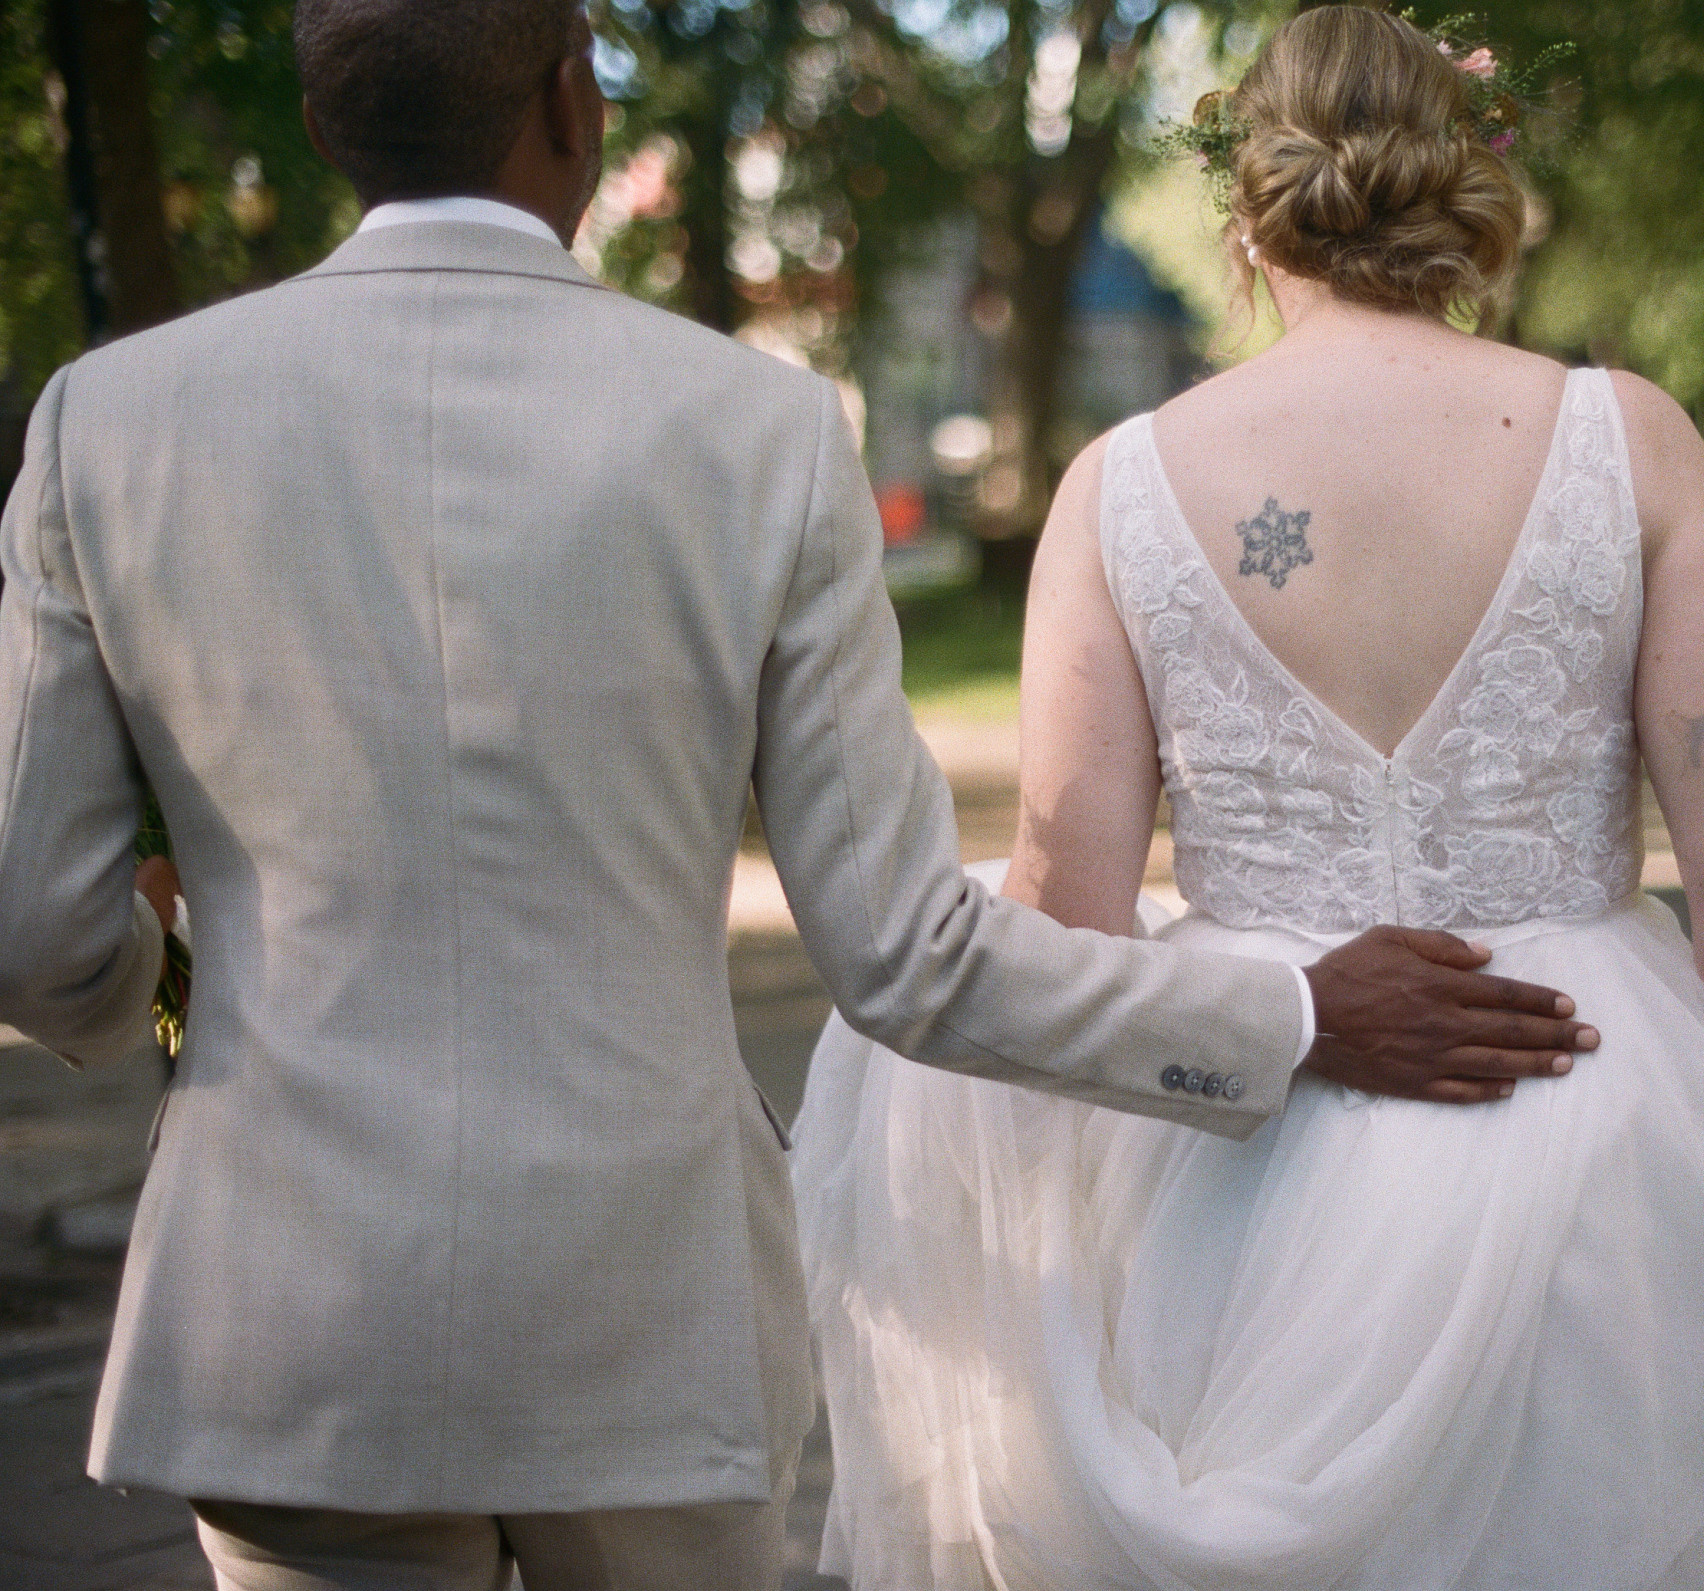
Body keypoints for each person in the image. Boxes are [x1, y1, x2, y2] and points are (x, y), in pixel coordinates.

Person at [0, 0, 1600, 1584]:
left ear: (327, 129)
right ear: (574, 102)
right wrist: (1294, 1018)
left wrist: (169, 978)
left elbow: (35, 938)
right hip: (640, 1321)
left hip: (281, 1325)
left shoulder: (109, 424)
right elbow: (906, 954)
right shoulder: (752, 429)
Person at [791, 11, 1704, 1588]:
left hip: (1237, 1155)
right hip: (1590, 1125)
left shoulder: (1123, 482)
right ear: (1471, 191)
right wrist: (1686, 1137)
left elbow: (1068, 915)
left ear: (1248, 216)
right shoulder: (1627, 442)